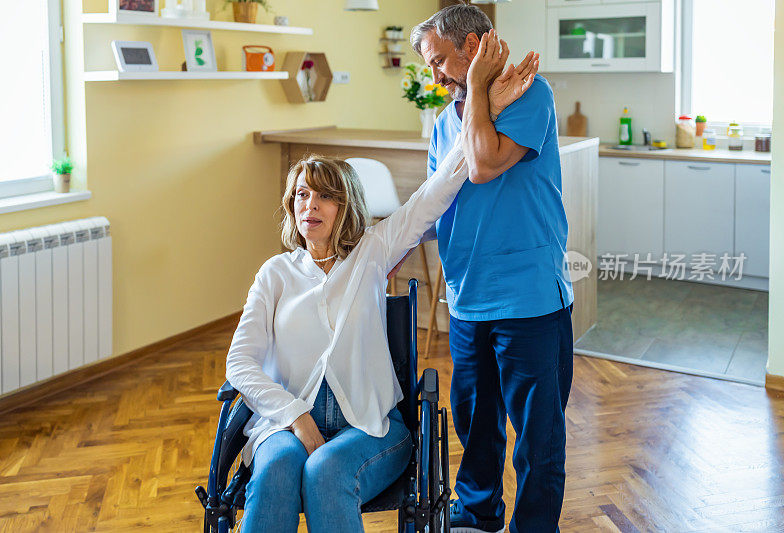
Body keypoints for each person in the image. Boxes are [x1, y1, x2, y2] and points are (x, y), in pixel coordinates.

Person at [224, 36, 539, 533]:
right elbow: (239, 361)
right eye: (301, 195)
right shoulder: (275, 274)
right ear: (290, 206)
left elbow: (436, 193)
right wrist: (296, 418)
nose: (311, 206)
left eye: (324, 197)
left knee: (326, 470)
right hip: (286, 422)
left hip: (369, 427)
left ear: (345, 206)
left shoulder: (370, 254)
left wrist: (483, 105)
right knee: (280, 466)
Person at [408, 5, 575, 533]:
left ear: (475, 46)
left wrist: (480, 85)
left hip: (529, 302)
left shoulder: (532, 95)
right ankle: (477, 517)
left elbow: (480, 165)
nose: (435, 78)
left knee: (538, 437)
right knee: (475, 426)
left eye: (441, 62)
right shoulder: (443, 124)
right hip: (466, 299)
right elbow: (440, 204)